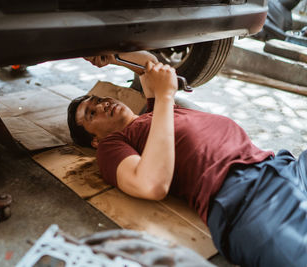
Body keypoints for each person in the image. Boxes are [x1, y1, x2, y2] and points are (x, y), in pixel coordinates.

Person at [67, 51, 307, 267]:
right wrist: (165, 97)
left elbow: (149, 65)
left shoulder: (153, 113)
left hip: (282, 166)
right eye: (91, 114)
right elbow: (150, 185)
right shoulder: (112, 145)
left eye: (98, 100)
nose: (103, 105)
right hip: (247, 201)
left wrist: (113, 54)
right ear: (95, 140)